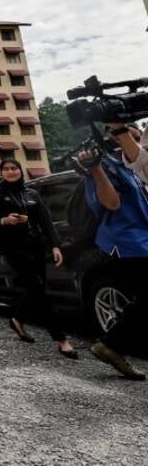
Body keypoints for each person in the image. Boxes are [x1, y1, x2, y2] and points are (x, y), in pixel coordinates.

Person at [0, 159, 77, 358]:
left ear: (20, 171)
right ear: (1, 174)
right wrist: (4, 220)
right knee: (37, 290)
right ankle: (61, 339)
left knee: (37, 289)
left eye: (13, 168)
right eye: (6, 169)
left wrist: (55, 245)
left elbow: (46, 221)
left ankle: (17, 319)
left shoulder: (32, 194)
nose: (10, 172)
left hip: (36, 247)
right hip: (14, 249)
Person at [78, 146, 148, 380]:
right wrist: (95, 167)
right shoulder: (106, 166)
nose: (137, 145)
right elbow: (112, 203)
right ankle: (111, 345)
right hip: (127, 242)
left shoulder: (134, 168)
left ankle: (112, 345)